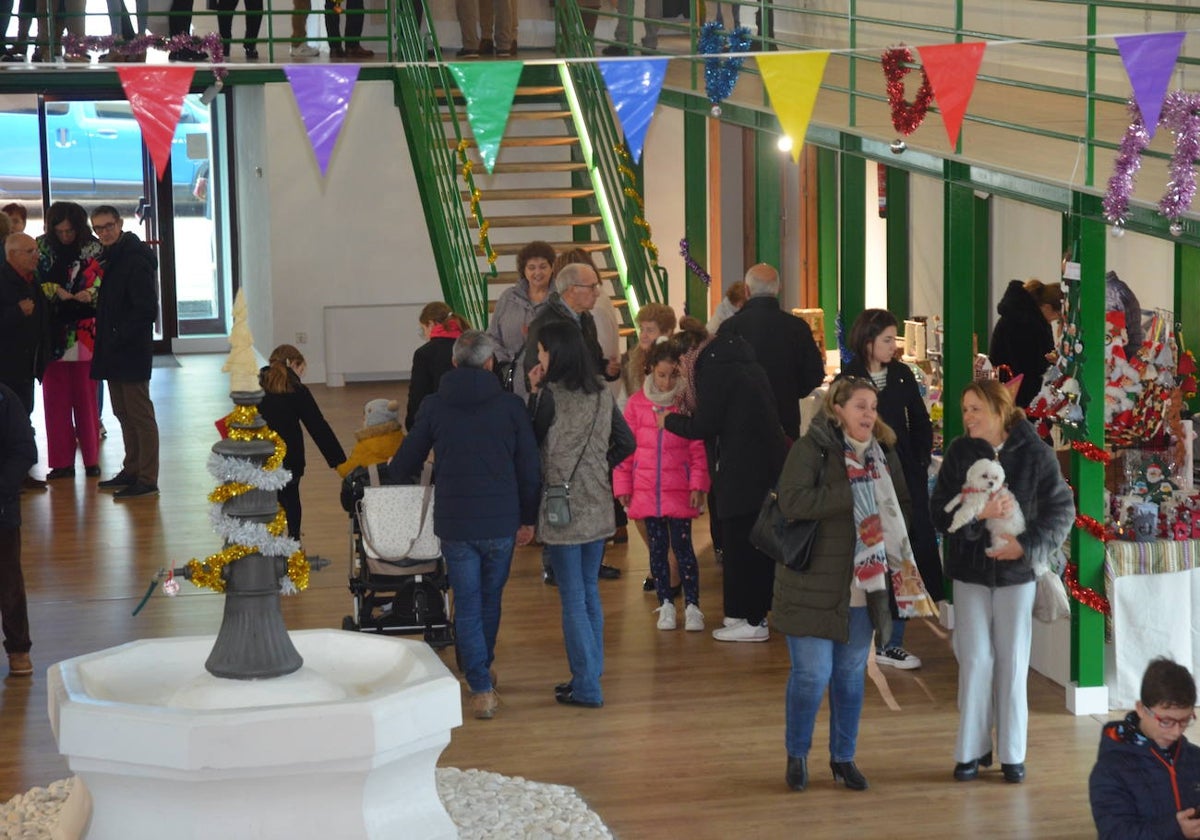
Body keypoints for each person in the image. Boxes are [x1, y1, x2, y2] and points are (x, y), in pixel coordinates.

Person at [773, 377, 928, 793]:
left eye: (873, 407)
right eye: (860, 406)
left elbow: (903, 506)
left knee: (849, 675)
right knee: (812, 674)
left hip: (866, 586)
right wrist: (853, 493)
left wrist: (890, 526)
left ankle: (843, 758)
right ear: (837, 408)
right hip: (812, 583)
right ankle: (797, 753)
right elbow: (791, 501)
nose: (869, 414)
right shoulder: (812, 448)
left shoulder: (885, 453)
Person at [388, 331, 539, 720]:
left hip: (456, 522)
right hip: (502, 520)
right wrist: (528, 518)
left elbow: (405, 463)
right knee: (490, 599)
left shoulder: (434, 406)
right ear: (491, 363)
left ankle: (480, 685)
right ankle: (480, 670)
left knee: (467, 603)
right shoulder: (511, 407)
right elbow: (529, 469)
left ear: (454, 363)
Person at [930, 379, 1074, 784]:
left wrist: (1026, 546)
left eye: (976, 408)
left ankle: (1013, 753)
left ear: (999, 409)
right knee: (974, 659)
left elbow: (1062, 509)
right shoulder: (959, 452)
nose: (968, 417)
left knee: (1012, 661)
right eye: (965, 409)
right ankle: (971, 750)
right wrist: (977, 515)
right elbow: (938, 512)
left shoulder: (1035, 453)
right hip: (969, 573)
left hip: (1016, 575)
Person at [528, 321, 632, 708]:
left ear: (552, 354)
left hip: (562, 506)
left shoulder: (549, 396)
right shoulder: (601, 394)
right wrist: (599, 467)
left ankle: (587, 685)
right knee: (589, 592)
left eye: (540, 350)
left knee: (572, 597)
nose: (537, 356)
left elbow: (531, 444)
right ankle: (589, 673)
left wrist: (533, 392)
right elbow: (627, 442)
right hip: (598, 501)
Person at [664, 328, 787, 642]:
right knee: (746, 541)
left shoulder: (716, 369)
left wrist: (668, 421)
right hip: (758, 465)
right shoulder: (738, 361)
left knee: (744, 544)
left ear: (686, 355)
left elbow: (705, 424)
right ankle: (744, 614)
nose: (681, 375)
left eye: (679, 367)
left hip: (744, 468)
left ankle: (753, 619)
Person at [840, 309, 943, 670]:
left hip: (902, 481)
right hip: (862, 482)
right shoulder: (849, 377)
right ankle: (860, 637)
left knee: (903, 553)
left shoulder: (901, 374)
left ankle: (892, 641)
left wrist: (916, 460)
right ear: (868, 341)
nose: (893, 346)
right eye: (886, 339)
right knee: (868, 557)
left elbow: (921, 419)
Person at [613, 340, 708, 632]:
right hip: (646, 490)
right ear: (650, 371)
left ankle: (692, 605)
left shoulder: (687, 406)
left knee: (683, 549)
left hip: (678, 489)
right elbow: (624, 449)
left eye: (673, 375)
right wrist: (622, 486)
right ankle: (665, 603)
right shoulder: (636, 405)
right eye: (662, 375)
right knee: (657, 550)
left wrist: (698, 485)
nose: (667, 382)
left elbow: (697, 449)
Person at [90, 206, 160, 499]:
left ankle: (147, 478)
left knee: (139, 415)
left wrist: (119, 335)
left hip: (130, 350)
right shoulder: (113, 257)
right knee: (122, 412)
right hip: (114, 349)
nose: (104, 232)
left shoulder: (134, 259)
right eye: (98, 228)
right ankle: (131, 470)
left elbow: (146, 309)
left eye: (108, 226)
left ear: (119, 224)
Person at [1090, 657, 1200, 840]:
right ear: (1141, 709)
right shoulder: (1110, 769)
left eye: (1184, 721)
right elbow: (1115, 834)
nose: (1175, 732)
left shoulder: (1195, 758)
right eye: (1166, 722)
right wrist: (1175, 829)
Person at [717, 263, 825, 442]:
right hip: (784, 419)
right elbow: (815, 375)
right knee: (783, 469)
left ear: (746, 291)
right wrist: (789, 392)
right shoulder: (797, 327)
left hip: (739, 422)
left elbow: (719, 378)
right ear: (778, 289)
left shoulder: (730, 328)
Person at [37, 202, 103, 481]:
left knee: (86, 401)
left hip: (86, 332)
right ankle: (61, 463)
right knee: (55, 402)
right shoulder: (40, 247)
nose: (65, 235)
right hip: (52, 333)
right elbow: (31, 282)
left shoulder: (95, 248)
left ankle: (91, 460)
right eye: (60, 230)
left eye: (70, 231)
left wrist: (92, 293)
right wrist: (55, 290)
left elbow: (106, 282)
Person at [259, 344, 347, 541]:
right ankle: (293, 541)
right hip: (291, 457)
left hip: (262, 456)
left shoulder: (258, 385)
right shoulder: (297, 389)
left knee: (268, 498)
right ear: (294, 363)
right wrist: (339, 461)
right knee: (291, 498)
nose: (302, 373)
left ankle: (269, 542)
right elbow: (318, 427)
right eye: (301, 368)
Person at [0, 232, 50, 490]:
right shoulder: (3, 281)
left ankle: (21, 474)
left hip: (26, 364)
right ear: (12, 255)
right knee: (6, 421)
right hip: (6, 366)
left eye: (36, 250)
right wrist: (16, 312)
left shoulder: (31, 280)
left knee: (22, 417)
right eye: (29, 251)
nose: (36, 255)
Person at [0, 382, 37, 677]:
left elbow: (25, 450)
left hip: (1, 510)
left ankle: (18, 648)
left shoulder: (5, 400)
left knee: (9, 581)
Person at [486, 240, 554, 399]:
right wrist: (504, 363)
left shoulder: (559, 300)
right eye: (531, 268)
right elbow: (492, 335)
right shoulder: (508, 297)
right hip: (512, 380)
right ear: (523, 270)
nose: (538, 272)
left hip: (550, 381)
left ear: (552, 268)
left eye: (543, 266)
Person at [988, 278, 1063, 409]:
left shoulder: (1028, 319)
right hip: (1017, 398)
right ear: (1047, 307)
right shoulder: (1026, 324)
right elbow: (1030, 365)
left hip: (1010, 394)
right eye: (1056, 317)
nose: (1053, 321)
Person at [406, 303, 469, 432]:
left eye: (423, 329)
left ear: (431, 324)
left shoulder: (424, 353)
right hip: (476, 418)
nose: (425, 335)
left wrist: (412, 424)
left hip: (443, 423)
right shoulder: (470, 345)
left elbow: (418, 393)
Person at [336, 398, 405, 478]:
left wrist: (338, 466)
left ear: (369, 422)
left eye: (364, 419)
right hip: (402, 487)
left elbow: (345, 471)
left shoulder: (364, 447)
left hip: (371, 488)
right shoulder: (403, 440)